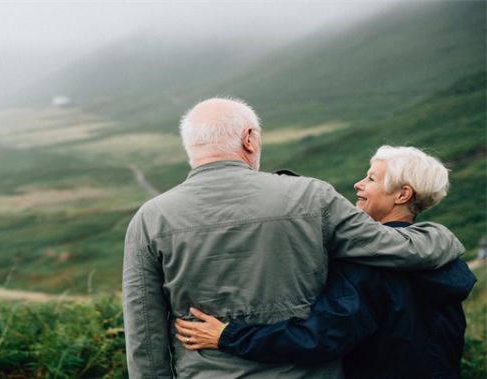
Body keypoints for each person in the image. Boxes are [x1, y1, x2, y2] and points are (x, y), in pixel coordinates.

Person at [122, 98, 464, 379]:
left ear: (190, 148)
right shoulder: (312, 198)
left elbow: (145, 336)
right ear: (250, 139)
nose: (361, 184)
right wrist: (442, 237)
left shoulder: (149, 219)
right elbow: (396, 247)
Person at [174, 146, 476, 378]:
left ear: (402, 194)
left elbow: (319, 338)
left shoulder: (368, 265)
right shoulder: (444, 260)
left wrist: (228, 336)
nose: (358, 184)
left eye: (371, 178)